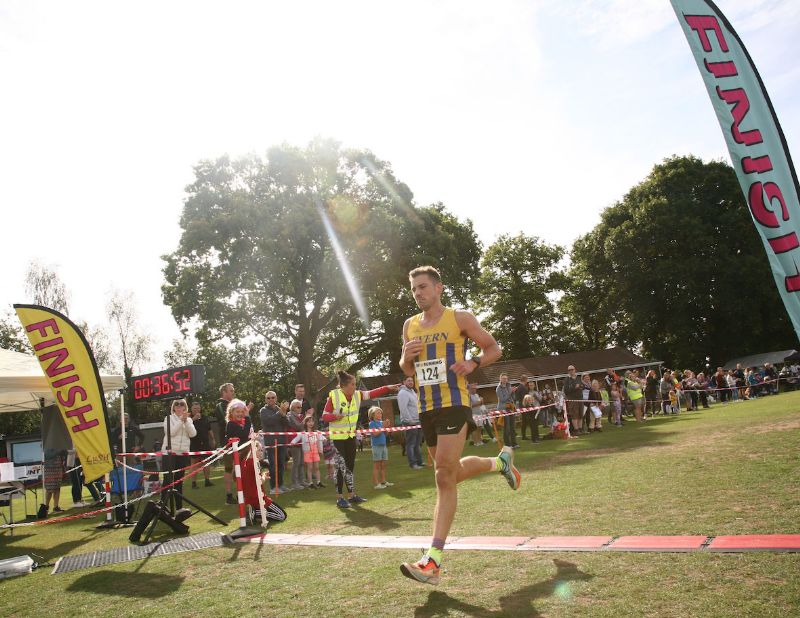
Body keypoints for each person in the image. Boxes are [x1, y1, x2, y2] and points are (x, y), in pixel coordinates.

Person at [398, 265, 513, 586]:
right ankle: (499, 462)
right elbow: (406, 367)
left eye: (423, 287)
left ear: (439, 288)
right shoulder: (410, 325)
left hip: (454, 403)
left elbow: (493, 348)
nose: (418, 293)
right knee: (447, 474)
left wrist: (473, 362)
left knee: (443, 475)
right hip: (426, 408)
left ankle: (433, 560)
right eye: (414, 289)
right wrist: (405, 357)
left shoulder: (459, 318)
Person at [320, 370, 399, 509]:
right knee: (340, 467)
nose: (355, 387)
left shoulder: (357, 395)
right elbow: (324, 416)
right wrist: (335, 417)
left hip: (350, 436)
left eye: (355, 384)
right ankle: (340, 498)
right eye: (352, 384)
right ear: (344, 386)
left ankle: (352, 495)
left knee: (350, 466)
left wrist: (388, 388)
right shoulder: (334, 396)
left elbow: (373, 393)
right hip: (338, 437)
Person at [216, 383, 253, 503]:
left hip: (241, 444)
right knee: (229, 469)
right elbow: (228, 420)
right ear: (224, 392)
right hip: (228, 443)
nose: (233, 393)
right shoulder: (221, 405)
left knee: (241, 469)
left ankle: (240, 493)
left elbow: (243, 428)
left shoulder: (234, 405)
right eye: (231, 391)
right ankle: (229, 495)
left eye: (233, 390)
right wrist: (245, 413)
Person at [162, 398, 196, 509]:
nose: (179, 406)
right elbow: (171, 433)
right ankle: (163, 506)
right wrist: (181, 420)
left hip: (183, 454)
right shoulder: (168, 418)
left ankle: (179, 508)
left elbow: (193, 434)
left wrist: (186, 421)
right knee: (167, 481)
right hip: (169, 453)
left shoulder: (189, 420)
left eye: (182, 404)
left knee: (179, 481)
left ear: (185, 407)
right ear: (173, 407)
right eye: (176, 404)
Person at [260, 391, 290, 494]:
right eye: (268, 398)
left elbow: (287, 423)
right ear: (265, 400)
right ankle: (273, 487)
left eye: (273, 397)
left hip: (281, 441)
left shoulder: (279, 409)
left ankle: (280, 485)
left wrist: (283, 414)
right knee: (273, 465)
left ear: (276, 398)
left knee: (281, 464)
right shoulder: (263, 411)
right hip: (271, 442)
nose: (271, 399)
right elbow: (269, 421)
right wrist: (280, 413)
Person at [224, 398, 253, 505]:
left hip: (243, 451)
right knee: (231, 473)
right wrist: (248, 417)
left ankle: (241, 494)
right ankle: (229, 495)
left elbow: (248, 434)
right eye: (237, 411)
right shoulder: (231, 424)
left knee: (241, 474)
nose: (240, 414)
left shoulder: (244, 422)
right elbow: (244, 434)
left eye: (242, 411)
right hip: (233, 452)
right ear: (231, 412)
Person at [289, 415, 324, 489]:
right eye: (309, 421)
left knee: (317, 467)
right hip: (307, 452)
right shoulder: (303, 433)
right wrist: (292, 442)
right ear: (305, 423)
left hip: (315, 452)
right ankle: (310, 483)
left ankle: (318, 482)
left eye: (312, 421)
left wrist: (324, 438)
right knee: (310, 468)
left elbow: (321, 437)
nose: (311, 423)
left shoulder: (316, 432)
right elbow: (296, 438)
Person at [398, 376, 425, 467]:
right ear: (404, 382)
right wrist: (410, 421)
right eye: (408, 380)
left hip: (418, 421)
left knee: (418, 444)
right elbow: (403, 408)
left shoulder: (413, 392)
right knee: (411, 444)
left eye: (412, 381)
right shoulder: (403, 393)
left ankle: (420, 462)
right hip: (409, 422)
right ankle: (413, 464)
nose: (411, 382)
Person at [189, 401, 215, 488]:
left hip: (205, 443)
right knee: (194, 463)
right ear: (191, 409)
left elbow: (209, 429)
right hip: (193, 443)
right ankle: (193, 483)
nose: (197, 410)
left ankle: (207, 481)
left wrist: (213, 439)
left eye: (198, 408)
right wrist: (193, 419)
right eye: (195, 408)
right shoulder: (188, 418)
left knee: (206, 462)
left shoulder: (205, 418)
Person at [368, 407, 393, 489]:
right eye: (378, 413)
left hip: (383, 446)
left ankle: (383, 481)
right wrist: (383, 427)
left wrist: (387, 427)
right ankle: (376, 483)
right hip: (376, 446)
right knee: (377, 466)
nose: (380, 414)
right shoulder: (372, 423)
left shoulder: (381, 423)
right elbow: (375, 434)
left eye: (380, 413)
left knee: (383, 465)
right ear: (372, 415)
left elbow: (385, 434)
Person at [287, 399, 308, 490]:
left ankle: (302, 480)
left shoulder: (300, 416)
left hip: (301, 441)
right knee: (296, 463)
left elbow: (304, 427)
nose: (300, 409)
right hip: (294, 441)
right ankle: (294, 483)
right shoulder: (290, 415)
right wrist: (305, 419)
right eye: (297, 407)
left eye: (300, 407)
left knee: (302, 462)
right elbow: (298, 426)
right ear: (292, 407)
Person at [38, 448, 66, 518]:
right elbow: (48, 455)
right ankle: (46, 507)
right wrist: (59, 451)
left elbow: (64, 453)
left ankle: (56, 507)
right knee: (49, 489)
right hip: (49, 469)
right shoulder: (46, 445)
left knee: (57, 488)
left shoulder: (57, 444)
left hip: (58, 468)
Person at [495, 373, 518, 448]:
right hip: (503, 409)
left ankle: (514, 443)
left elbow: (513, 398)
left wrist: (513, 392)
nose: (505, 380)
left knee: (512, 427)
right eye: (503, 378)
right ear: (500, 379)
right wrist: (511, 392)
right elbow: (502, 399)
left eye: (506, 378)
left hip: (511, 408)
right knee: (507, 428)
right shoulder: (498, 388)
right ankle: (508, 445)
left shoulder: (509, 385)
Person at [562, 365, 584, 435]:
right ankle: (576, 430)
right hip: (572, 400)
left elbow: (583, 386)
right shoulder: (567, 380)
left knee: (580, 415)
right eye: (569, 370)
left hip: (580, 399)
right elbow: (566, 391)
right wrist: (575, 387)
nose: (571, 371)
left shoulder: (579, 378)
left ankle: (581, 429)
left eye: (572, 369)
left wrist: (580, 386)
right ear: (568, 371)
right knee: (575, 415)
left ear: (575, 370)